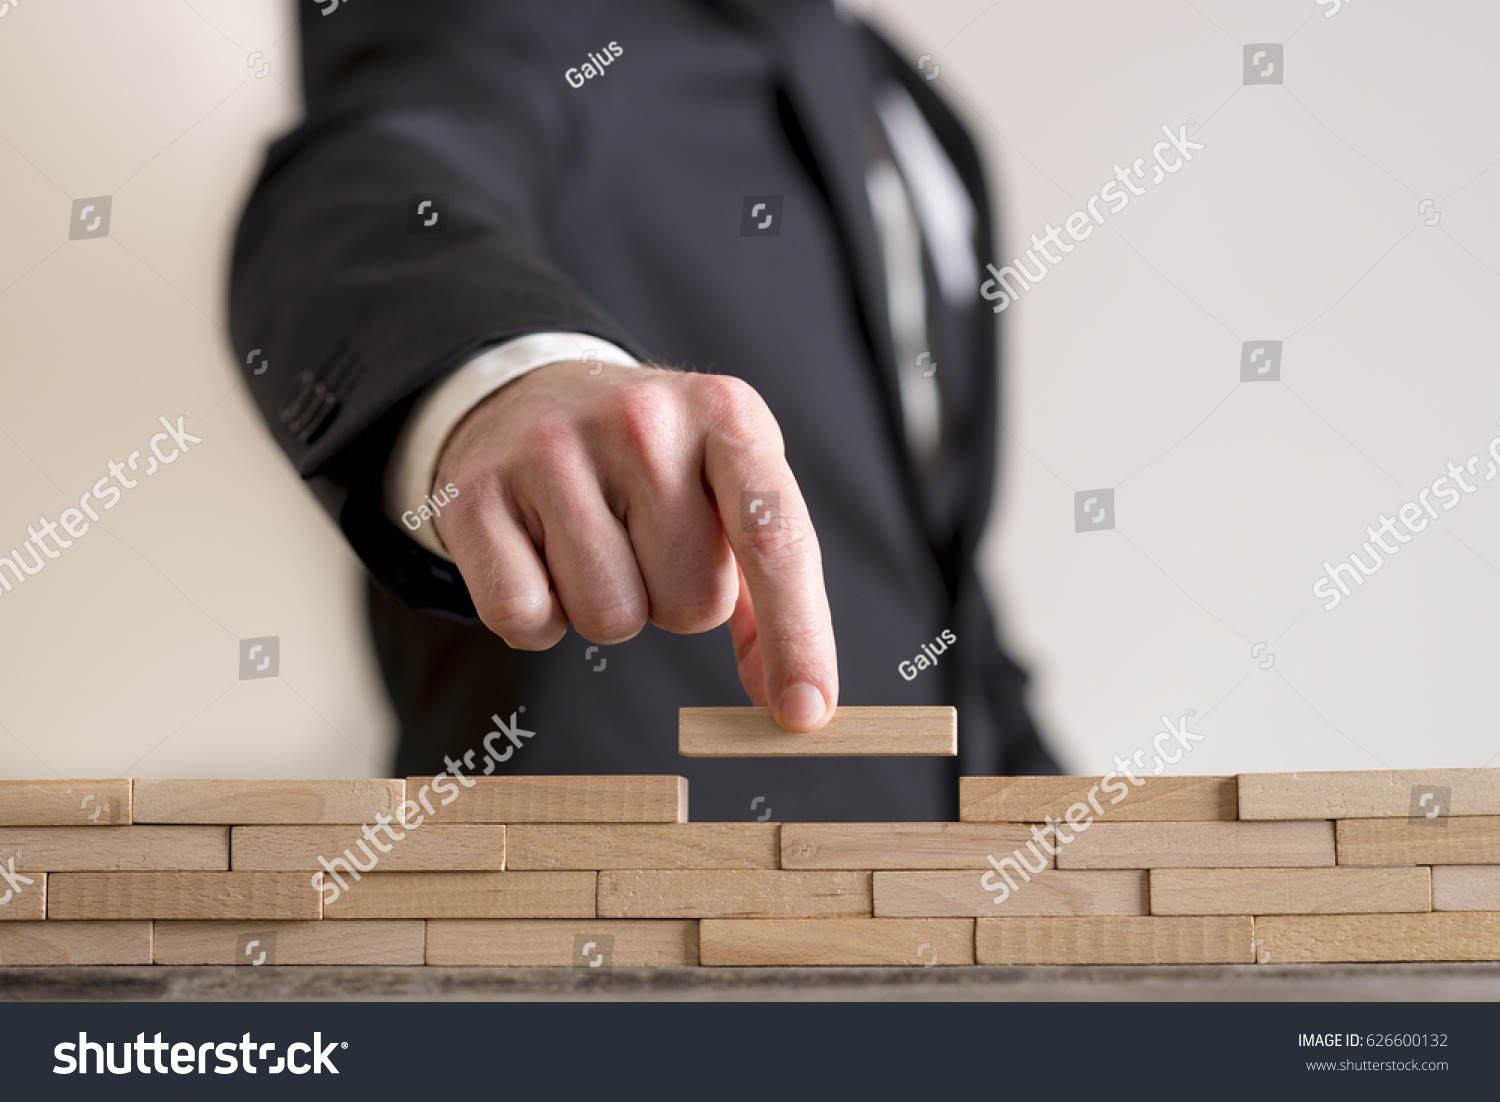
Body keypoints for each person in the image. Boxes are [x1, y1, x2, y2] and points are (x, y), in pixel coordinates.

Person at [229, 0, 1056, 822]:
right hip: (593, 893)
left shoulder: (905, 101)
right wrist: (513, 376)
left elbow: (942, 591)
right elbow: (377, 171)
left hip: (922, 905)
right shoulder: (517, 21)